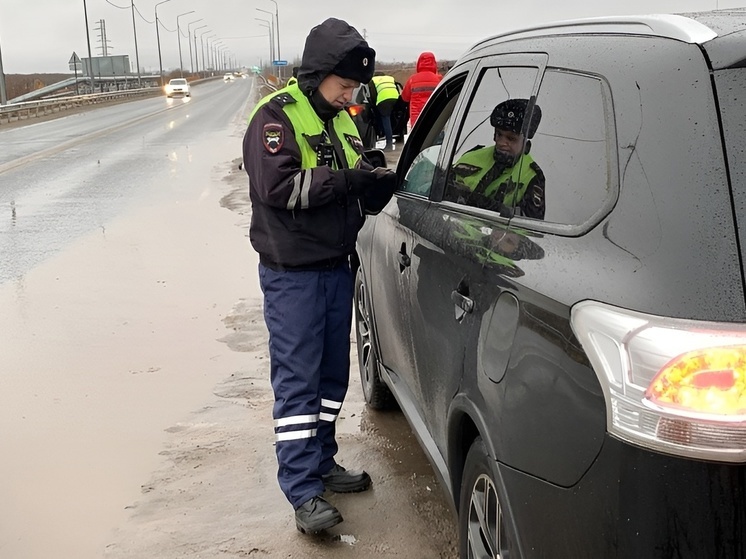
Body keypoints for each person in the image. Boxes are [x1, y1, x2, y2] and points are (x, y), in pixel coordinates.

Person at [242, 17, 397, 534]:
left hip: (336, 267)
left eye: (356, 86)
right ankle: (302, 488)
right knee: (298, 384)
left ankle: (323, 460)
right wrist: (346, 182)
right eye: (345, 84)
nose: (351, 93)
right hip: (293, 276)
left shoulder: (344, 117)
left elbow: (354, 166)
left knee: (333, 377)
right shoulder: (275, 120)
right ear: (319, 73)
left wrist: (373, 182)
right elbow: (281, 189)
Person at [449, 98, 545, 219]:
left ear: (525, 143)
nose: (501, 142)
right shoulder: (471, 157)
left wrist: (489, 206)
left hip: (495, 236)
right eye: (499, 134)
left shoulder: (532, 175)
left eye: (511, 139)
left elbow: (530, 225)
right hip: (452, 232)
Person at [401, 51, 443, 128]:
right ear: (434, 63)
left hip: (417, 119)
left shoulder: (412, 79)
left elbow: (405, 98)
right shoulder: (439, 79)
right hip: (435, 117)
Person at [369, 72, 400, 151]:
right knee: (395, 117)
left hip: (383, 100)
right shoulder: (390, 78)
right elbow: (396, 87)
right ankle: (399, 136)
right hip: (396, 97)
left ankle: (389, 143)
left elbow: (373, 94)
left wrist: (374, 105)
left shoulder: (373, 80)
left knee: (385, 119)